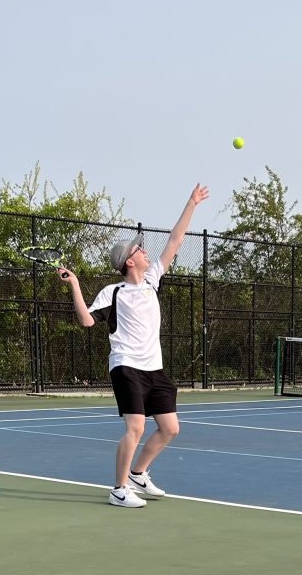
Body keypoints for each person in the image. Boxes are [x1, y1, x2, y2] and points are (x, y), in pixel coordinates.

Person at [57, 183, 209, 508]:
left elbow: (175, 240)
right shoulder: (113, 292)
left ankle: (138, 473)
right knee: (136, 426)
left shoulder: (152, 281)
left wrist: (192, 203)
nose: (144, 252)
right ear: (129, 261)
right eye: (139, 250)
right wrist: (76, 285)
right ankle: (119, 489)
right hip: (126, 366)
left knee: (170, 428)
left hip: (153, 367)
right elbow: (87, 320)